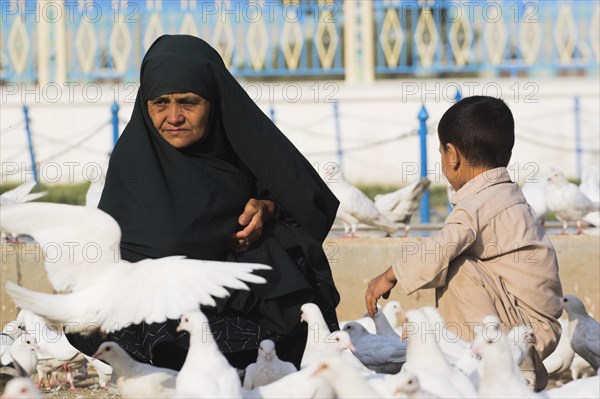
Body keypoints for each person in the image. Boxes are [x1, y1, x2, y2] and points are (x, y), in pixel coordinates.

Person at [91, 34, 340, 370]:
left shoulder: (244, 146)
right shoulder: (134, 164)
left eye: (189, 102)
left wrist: (268, 209)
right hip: (163, 330)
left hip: (254, 329)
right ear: (144, 103)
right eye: (160, 103)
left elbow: (310, 201)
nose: (174, 116)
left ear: (215, 100)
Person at [364, 96, 563, 391]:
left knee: (458, 267)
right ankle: (503, 362)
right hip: (534, 324)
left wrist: (391, 274)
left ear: (452, 155)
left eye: (441, 154)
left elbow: (442, 246)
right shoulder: (506, 194)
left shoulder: (476, 206)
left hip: (522, 329)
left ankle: (509, 366)